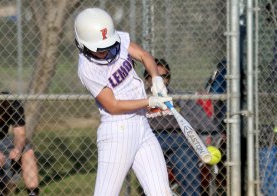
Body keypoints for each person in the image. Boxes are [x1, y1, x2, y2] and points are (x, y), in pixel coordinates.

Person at [74, 8, 173, 196]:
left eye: (107, 47)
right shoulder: (87, 69)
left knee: (162, 192)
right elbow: (113, 106)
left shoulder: (114, 38)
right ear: (82, 44)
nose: (105, 52)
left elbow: (144, 55)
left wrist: (156, 78)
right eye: (99, 49)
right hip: (117, 132)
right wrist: (149, 101)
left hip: (142, 126)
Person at [143, 58, 203, 196]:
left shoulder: (178, 97)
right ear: (147, 78)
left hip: (178, 140)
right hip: (150, 139)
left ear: (169, 79)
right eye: (154, 76)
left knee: (186, 158)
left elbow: (201, 122)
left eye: (164, 76)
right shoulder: (141, 97)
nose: (160, 80)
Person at [0, 91, 40, 196]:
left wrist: (18, 149)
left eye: (2, 115)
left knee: (28, 152)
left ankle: (32, 193)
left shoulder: (13, 102)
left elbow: (20, 133)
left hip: (2, 140)